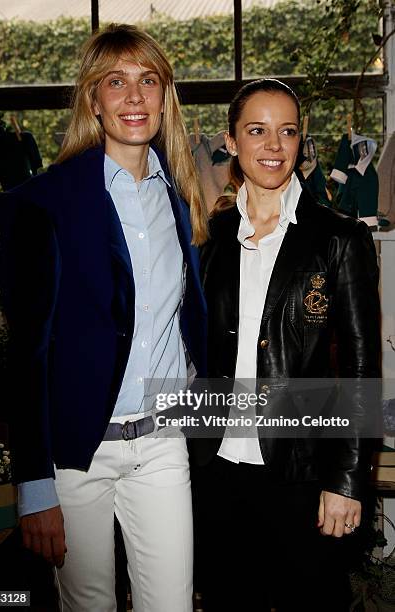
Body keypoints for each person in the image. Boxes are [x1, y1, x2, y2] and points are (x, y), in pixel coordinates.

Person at [0, 23, 207, 612]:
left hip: (162, 445)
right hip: (76, 455)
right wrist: (34, 486)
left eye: (149, 81)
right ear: (93, 99)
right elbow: (28, 352)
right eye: (116, 82)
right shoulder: (44, 202)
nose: (134, 98)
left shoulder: (179, 195)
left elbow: (186, 321)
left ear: (167, 96)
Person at [190, 79, 381, 611]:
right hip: (218, 472)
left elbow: (363, 368)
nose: (274, 145)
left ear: (300, 143)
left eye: (287, 132)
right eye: (258, 130)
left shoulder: (340, 239)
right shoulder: (213, 238)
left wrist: (346, 480)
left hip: (305, 472)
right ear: (231, 141)